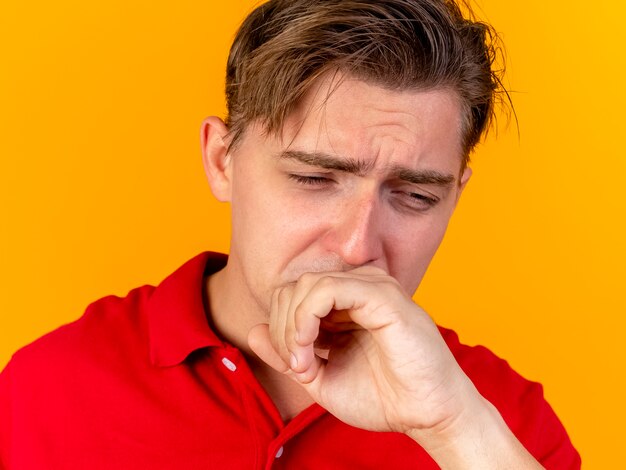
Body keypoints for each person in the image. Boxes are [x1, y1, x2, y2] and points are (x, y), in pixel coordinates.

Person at [0, 0, 580, 468]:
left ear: (456, 195)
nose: (356, 248)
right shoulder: (44, 392)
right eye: (313, 178)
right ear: (221, 160)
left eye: (416, 196)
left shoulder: (499, 418)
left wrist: (453, 429)